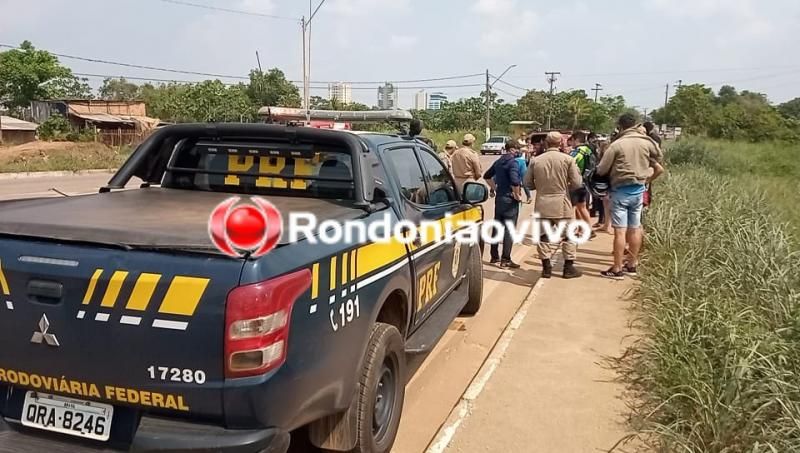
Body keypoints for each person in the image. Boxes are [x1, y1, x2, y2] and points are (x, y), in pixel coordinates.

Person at [596, 113, 664, 280]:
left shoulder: (617, 144)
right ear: (635, 124)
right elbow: (658, 158)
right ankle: (632, 264)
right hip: (639, 191)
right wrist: (647, 178)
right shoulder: (646, 142)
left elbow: (601, 169)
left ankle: (617, 268)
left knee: (620, 231)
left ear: (620, 126)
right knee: (635, 228)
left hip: (620, 190)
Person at [524, 131, 584, 279]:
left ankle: (546, 268)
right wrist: (566, 185)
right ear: (560, 143)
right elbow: (577, 183)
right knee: (568, 235)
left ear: (546, 143)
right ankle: (568, 268)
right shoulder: (568, 160)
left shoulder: (535, 161)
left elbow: (527, 183)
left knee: (543, 235)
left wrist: (540, 186)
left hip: (542, 203)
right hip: (562, 202)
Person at [483, 140, 523, 268]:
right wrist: (517, 195)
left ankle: (494, 256)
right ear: (512, 149)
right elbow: (515, 181)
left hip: (500, 198)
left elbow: (487, 176)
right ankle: (505, 260)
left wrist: (495, 188)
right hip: (510, 199)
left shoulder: (499, 161)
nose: (518, 152)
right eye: (517, 149)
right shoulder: (513, 163)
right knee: (509, 229)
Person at [568, 132, 596, 239]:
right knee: (581, 207)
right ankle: (584, 229)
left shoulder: (577, 152)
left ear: (576, 140)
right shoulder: (589, 150)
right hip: (585, 182)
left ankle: (584, 229)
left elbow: (569, 163)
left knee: (573, 208)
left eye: (572, 140)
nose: (571, 143)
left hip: (576, 183)